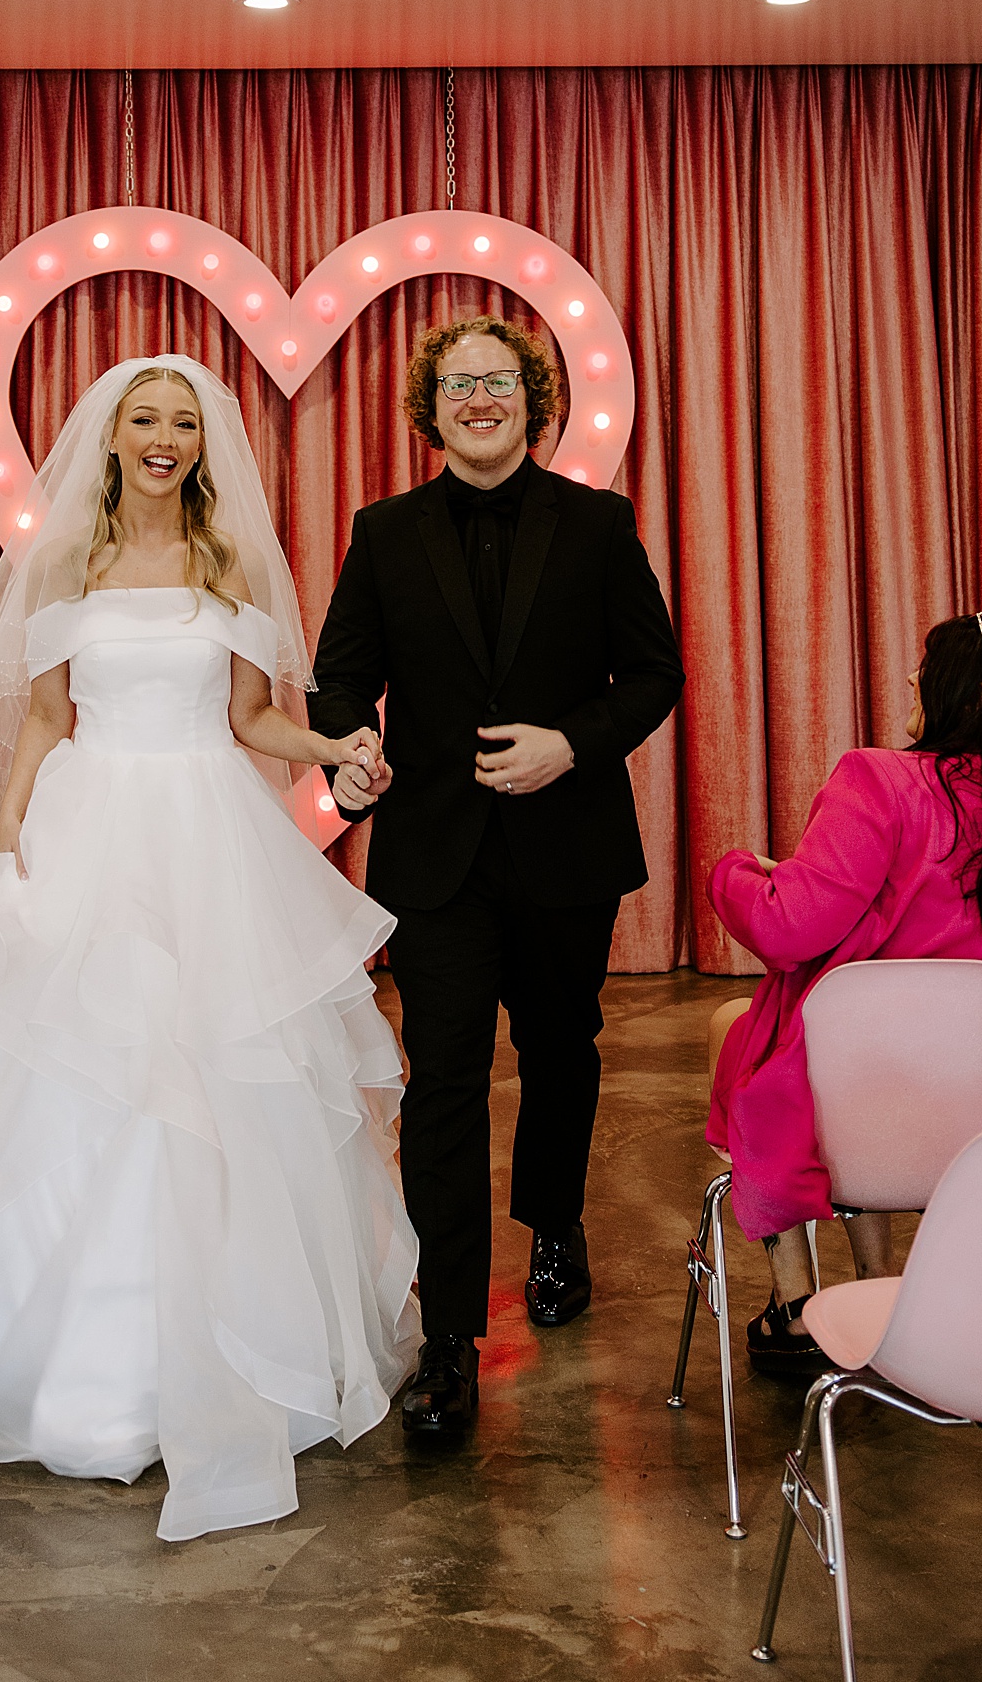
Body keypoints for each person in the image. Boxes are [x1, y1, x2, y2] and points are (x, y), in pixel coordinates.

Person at [0, 356, 420, 1541]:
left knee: (221, 1073)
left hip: (212, 835)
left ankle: (238, 1350)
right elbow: (43, 721)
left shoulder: (231, 562)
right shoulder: (63, 564)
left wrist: (339, 749)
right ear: (109, 437)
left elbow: (252, 719)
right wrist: (3, 868)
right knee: (76, 1069)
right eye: (146, 420)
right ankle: (61, 1353)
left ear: (205, 444)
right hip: (90, 828)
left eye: (184, 424)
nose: (165, 439)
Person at [309, 316, 684, 1436]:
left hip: (568, 843)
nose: (483, 398)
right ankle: (448, 1338)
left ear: (535, 398)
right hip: (436, 854)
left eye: (503, 380)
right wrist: (353, 750)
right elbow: (338, 682)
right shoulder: (383, 534)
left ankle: (557, 1223)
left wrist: (572, 742)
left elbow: (654, 673)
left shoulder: (600, 524)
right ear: (431, 407)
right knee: (446, 1084)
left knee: (563, 1050)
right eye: (461, 383)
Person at [708, 611, 982, 1377]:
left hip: (873, 1112)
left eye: (925, 668)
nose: (911, 680)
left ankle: (797, 1302)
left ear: (965, 693)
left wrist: (736, 869)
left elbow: (788, 928)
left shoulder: (883, 781)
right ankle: (881, 1285)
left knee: (750, 1028)